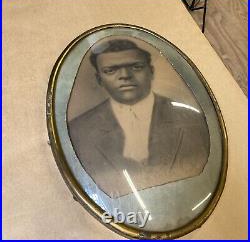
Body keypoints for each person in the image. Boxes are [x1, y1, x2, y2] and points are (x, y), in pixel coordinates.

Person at [68, 39, 210, 198]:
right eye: (110, 70)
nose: (125, 76)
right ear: (99, 79)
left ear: (151, 71)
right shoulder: (78, 130)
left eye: (136, 67)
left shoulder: (193, 120)